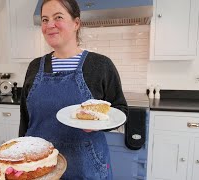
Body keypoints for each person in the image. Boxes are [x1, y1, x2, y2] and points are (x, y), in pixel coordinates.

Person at [19, 0, 128, 179]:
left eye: (58, 17)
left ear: (76, 23)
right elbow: (25, 120)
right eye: (45, 19)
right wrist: (22, 160)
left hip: (84, 165)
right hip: (40, 166)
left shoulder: (100, 65)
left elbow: (121, 109)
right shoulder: (34, 66)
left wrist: (97, 125)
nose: (49, 25)